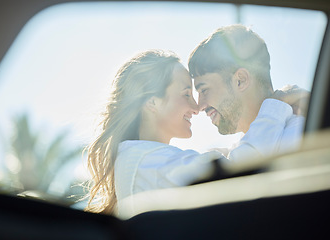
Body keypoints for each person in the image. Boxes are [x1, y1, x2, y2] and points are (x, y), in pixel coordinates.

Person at [84, 49, 302, 215]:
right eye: (186, 94)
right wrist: (276, 104)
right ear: (152, 101)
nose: (197, 107)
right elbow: (236, 172)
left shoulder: (147, 160)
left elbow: (227, 160)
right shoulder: (146, 162)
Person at [188, 24, 306, 160]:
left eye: (204, 90)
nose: (200, 106)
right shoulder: (240, 149)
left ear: (241, 80)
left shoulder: (298, 136)